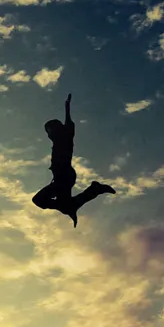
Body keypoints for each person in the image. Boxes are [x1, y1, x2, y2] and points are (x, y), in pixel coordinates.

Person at [31, 94, 115, 227]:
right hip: (61, 177)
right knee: (62, 205)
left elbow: (69, 123)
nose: (49, 134)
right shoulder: (57, 141)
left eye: (50, 130)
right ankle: (92, 191)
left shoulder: (65, 137)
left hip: (64, 176)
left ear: (57, 129)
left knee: (40, 201)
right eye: (48, 132)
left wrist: (67, 107)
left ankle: (94, 190)